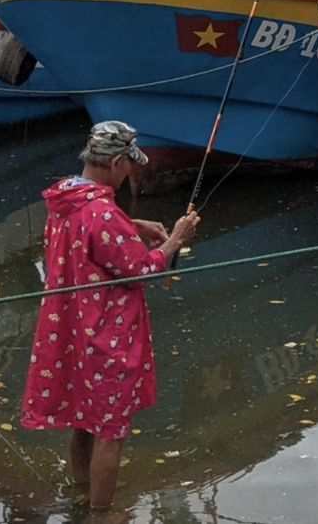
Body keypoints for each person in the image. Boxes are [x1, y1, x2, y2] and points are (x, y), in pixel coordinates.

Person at [21, 121, 199, 513]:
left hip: (71, 333)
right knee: (111, 431)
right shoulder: (103, 214)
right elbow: (141, 272)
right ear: (116, 161)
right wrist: (175, 240)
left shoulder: (65, 197)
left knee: (82, 419)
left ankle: (82, 492)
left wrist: (131, 224)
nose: (128, 173)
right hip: (106, 338)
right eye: (126, 167)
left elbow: (86, 233)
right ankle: (102, 514)